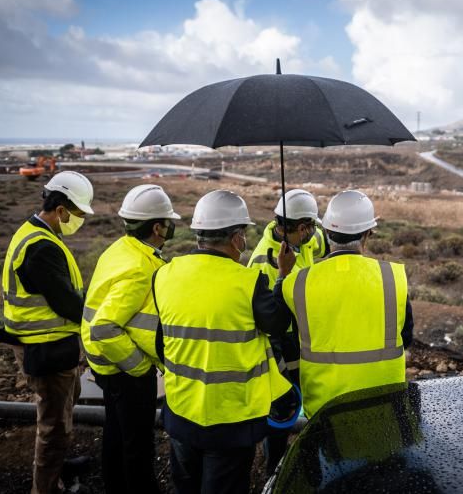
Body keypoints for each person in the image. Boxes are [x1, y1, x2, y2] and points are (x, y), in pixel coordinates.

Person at [150, 189, 295, 494]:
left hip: (180, 410)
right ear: (235, 237)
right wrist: (283, 276)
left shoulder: (165, 274)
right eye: (243, 234)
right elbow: (278, 324)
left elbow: (162, 344)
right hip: (231, 421)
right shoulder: (247, 281)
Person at [278, 190, 414, 418]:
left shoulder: (296, 283)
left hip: (324, 409)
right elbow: (406, 337)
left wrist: (283, 275)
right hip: (386, 405)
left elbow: (282, 334)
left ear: (327, 231)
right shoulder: (392, 277)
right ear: (368, 233)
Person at [81, 184, 180, 494]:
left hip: (104, 363)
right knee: (138, 442)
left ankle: (114, 484)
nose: (169, 227)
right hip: (124, 368)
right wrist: (138, 367)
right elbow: (105, 326)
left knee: (116, 430)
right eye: (167, 222)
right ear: (157, 227)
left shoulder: (121, 249)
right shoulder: (140, 267)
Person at [0, 170, 94, 494]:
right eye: (78, 214)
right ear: (62, 210)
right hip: (45, 349)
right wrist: (94, 307)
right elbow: (69, 304)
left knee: (63, 411)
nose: (79, 220)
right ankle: (46, 487)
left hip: (47, 347)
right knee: (54, 426)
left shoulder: (35, 233)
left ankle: (59, 468)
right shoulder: (41, 247)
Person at [247, 189, 328, 472]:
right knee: (282, 407)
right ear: (302, 227)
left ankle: (306, 458)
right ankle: (276, 469)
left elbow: (324, 241)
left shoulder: (302, 241)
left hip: (302, 338)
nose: (313, 235)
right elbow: (267, 320)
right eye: (311, 228)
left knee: (303, 401)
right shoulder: (263, 261)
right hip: (280, 343)